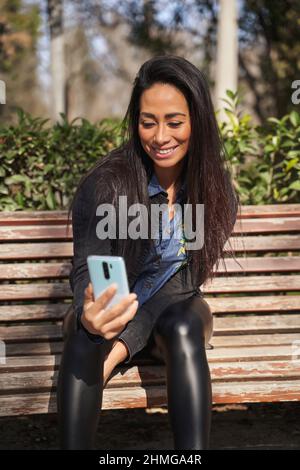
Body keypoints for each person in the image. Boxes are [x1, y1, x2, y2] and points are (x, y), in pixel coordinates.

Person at [57, 54, 238, 450]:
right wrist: (93, 313)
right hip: (112, 309)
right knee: (86, 332)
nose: (160, 137)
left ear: (198, 122)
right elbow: (88, 267)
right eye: (147, 122)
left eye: (174, 122)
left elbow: (185, 282)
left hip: (172, 310)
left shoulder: (215, 192)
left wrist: (121, 346)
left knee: (186, 325)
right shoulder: (105, 184)